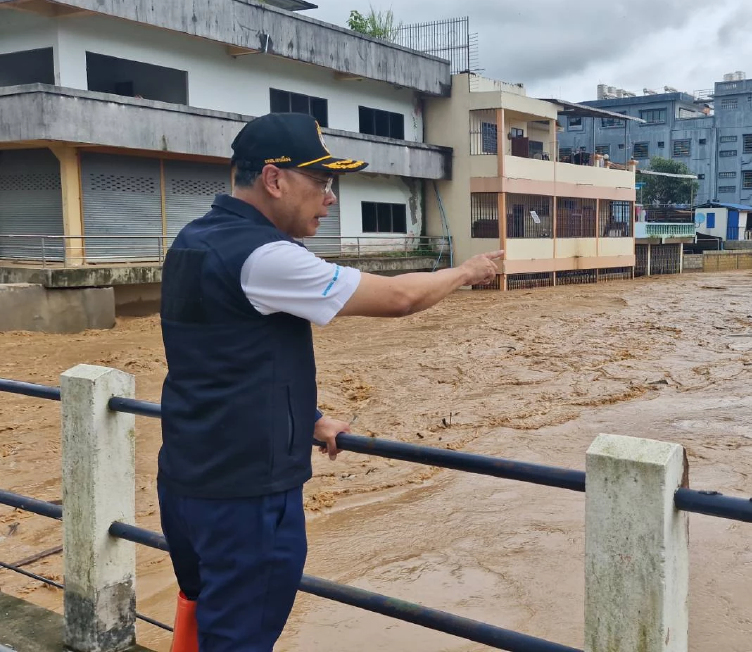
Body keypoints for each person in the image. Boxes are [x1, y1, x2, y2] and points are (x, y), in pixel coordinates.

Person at [156, 112, 502, 651]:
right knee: (240, 637)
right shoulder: (266, 257)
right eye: (321, 182)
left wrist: (311, 420)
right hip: (247, 492)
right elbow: (399, 298)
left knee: (208, 619)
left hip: (188, 477)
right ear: (274, 179)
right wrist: (466, 272)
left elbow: (220, 358)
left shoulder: (193, 240)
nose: (330, 197)